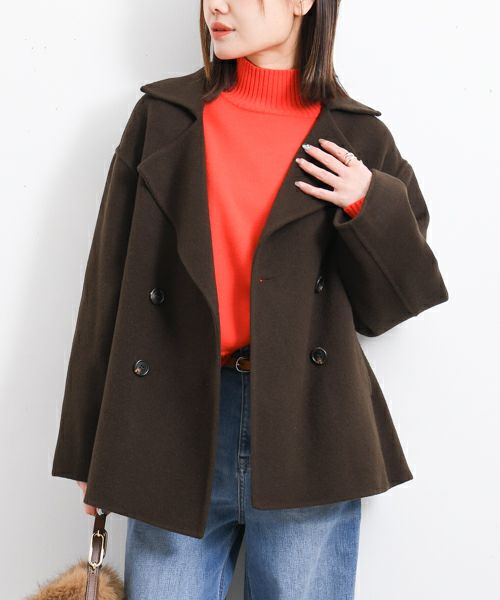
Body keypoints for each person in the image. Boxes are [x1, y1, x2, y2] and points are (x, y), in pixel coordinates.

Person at [53, 0, 449, 598]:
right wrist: (90, 448)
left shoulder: (356, 137)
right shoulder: (164, 118)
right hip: (171, 422)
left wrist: (367, 201)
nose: (216, 5)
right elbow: (106, 287)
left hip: (308, 427)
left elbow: (392, 305)